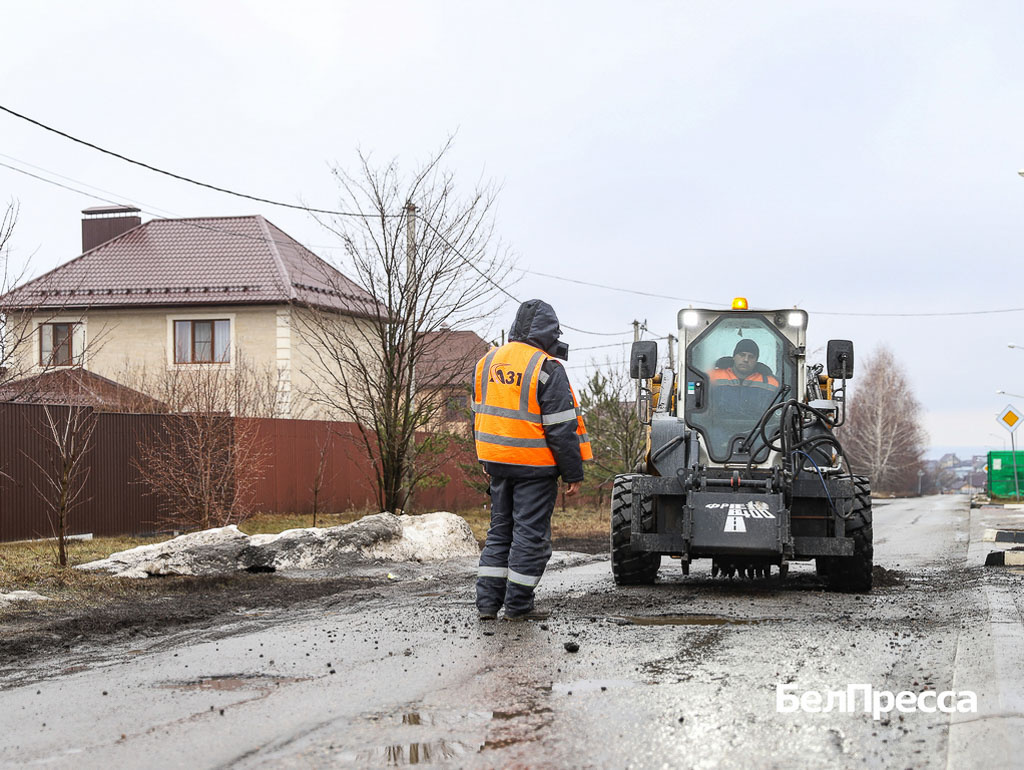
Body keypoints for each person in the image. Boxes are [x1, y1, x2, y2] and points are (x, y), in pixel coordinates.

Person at [472, 299, 592, 621]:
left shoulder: (486, 362)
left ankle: (487, 606)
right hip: (534, 467)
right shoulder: (546, 368)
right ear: (549, 331)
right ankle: (518, 606)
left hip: (496, 463)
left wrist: (488, 459)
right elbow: (561, 428)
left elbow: (480, 415)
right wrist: (572, 473)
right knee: (529, 536)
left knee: (500, 532)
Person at [708, 338, 780, 418]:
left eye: (751, 357)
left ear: (756, 360)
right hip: (716, 428)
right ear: (734, 357)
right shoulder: (711, 377)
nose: (746, 360)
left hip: (759, 429)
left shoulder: (772, 383)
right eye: (742, 355)